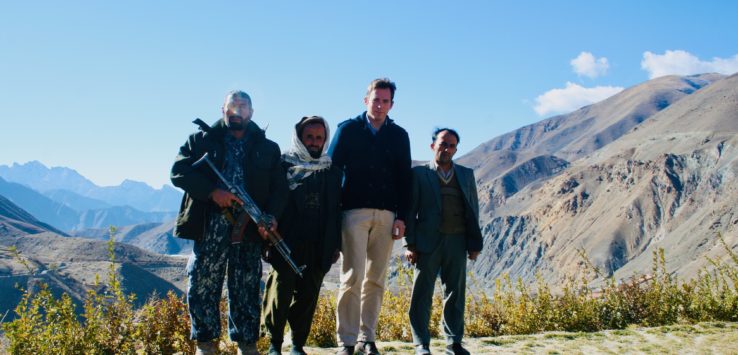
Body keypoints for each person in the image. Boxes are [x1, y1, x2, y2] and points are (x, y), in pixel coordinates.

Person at [171, 90, 288, 355]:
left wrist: (270, 217)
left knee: (246, 285)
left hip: (248, 230)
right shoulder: (201, 141)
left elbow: (279, 189)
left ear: (251, 113)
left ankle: (247, 344)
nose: (238, 111)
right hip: (209, 227)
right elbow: (178, 172)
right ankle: (205, 344)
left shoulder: (267, 148)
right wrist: (212, 192)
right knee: (202, 283)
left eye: (243, 107)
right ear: (222, 109)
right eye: (233, 106)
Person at [328, 78, 412, 355]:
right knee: (351, 276)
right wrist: (333, 212)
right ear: (366, 100)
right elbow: (332, 172)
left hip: (387, 215)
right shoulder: (348, 129)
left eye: (385, 101)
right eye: (376, 99)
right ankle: (347, 341)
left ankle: (368, 339)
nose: (380, 105)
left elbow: (404, 179)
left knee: (376, 278)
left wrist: (402, 218)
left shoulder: (399, 135)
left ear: (391, 104)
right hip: (353, 212)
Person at [261, 116, 343, 355]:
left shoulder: (332, 171)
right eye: (309, 137)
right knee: (281, 290)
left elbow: (336, 210)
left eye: (319, 137)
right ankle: (274, 344)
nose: (314, 142)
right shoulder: (283, 166)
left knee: (309, 294)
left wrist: (335, 244)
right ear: (300, 137)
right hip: (285, 240)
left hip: (319, 243)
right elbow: (272, 201)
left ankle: (297, 344)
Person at [404, 128, 482, 355]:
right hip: (427, 242)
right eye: (442, 144)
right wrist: (409, 244)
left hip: (457, 241)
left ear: (456, 149)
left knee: (455, 293)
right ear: (432, 146)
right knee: (421, 294)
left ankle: (454, 342)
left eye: (451, 145)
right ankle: (421, 343)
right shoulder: (419, 174)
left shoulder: (466, 175)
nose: (446, 148)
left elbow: (473, 209)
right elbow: (410, 211)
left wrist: (474, 244)